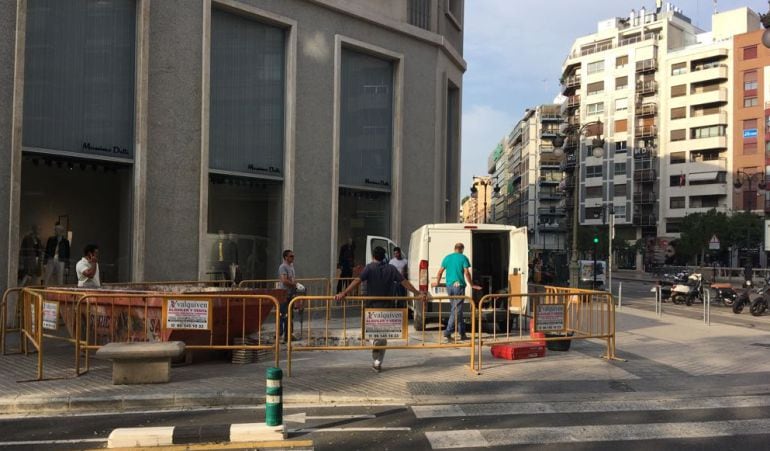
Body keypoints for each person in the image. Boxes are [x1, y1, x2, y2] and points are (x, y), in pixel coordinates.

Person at [335, 246, 425, 373]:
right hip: (387, 308)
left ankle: (376, 354)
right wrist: (417, 293)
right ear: (385, 257)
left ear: (373, 256)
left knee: (374, 335)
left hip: (372, 308)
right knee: (382, 336)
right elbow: (404, 282)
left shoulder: (369, 268)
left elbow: (357, 280)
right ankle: (378, 361)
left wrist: (344, 292)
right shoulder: (391, 268)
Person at [432, 243, 481, 342]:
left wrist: (437, 282)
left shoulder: (447, 258)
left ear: (454, 249)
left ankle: (462, 333)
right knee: (456, 310)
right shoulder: (463, 258)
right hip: (459, 287)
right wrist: (472, 284)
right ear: (462, 249)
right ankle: (447, 332)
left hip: (449, 287)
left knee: (458, 310)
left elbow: (440, 272)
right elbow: (466, 272)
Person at [278, 249, 300, 343]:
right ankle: (283, 335)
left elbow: (292, 279)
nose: (293, 258)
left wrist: (296, 286)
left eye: (293, 256)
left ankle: (289, 334)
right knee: (284, 316)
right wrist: (293, 284)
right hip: (284, 295)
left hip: (290, 294)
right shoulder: (283, 267)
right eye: (291, 256)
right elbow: (284, 280)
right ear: (286, 257)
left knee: (290, 316)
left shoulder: (291, 267)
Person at [44, 222, 70, 286]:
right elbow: (46, 251)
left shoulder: (65, 242)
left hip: (61, 260)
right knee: (47, 277)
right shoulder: (51, 239)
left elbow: (67, 254)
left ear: (61, 231)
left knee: (60, 278)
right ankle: (45, 290)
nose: (55, 231)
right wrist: (44, 263)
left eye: (57, 230)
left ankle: (59, 292)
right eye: (55, 230)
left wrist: (67, 266)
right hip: (51, 259)